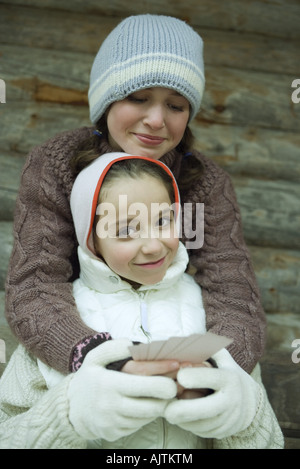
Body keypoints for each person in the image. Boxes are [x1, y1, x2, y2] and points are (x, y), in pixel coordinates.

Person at [5, 14, 266, 377]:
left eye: (176, 106)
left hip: (177, 349)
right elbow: (36, 284)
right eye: (138, 98)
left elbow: (233, 294)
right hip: (84, 360)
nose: (156, 119)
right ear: (106, 101)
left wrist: (209, 371)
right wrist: (102, 361)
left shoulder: (201, 184)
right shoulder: (58, 165)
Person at [0, 154, 283, 449]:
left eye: (163, 221)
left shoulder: (215, 315)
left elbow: (269, 441)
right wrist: (67, 416)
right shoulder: (58, 321)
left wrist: (246, 417)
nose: (152, 246)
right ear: (91, 239)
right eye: (125, 230)